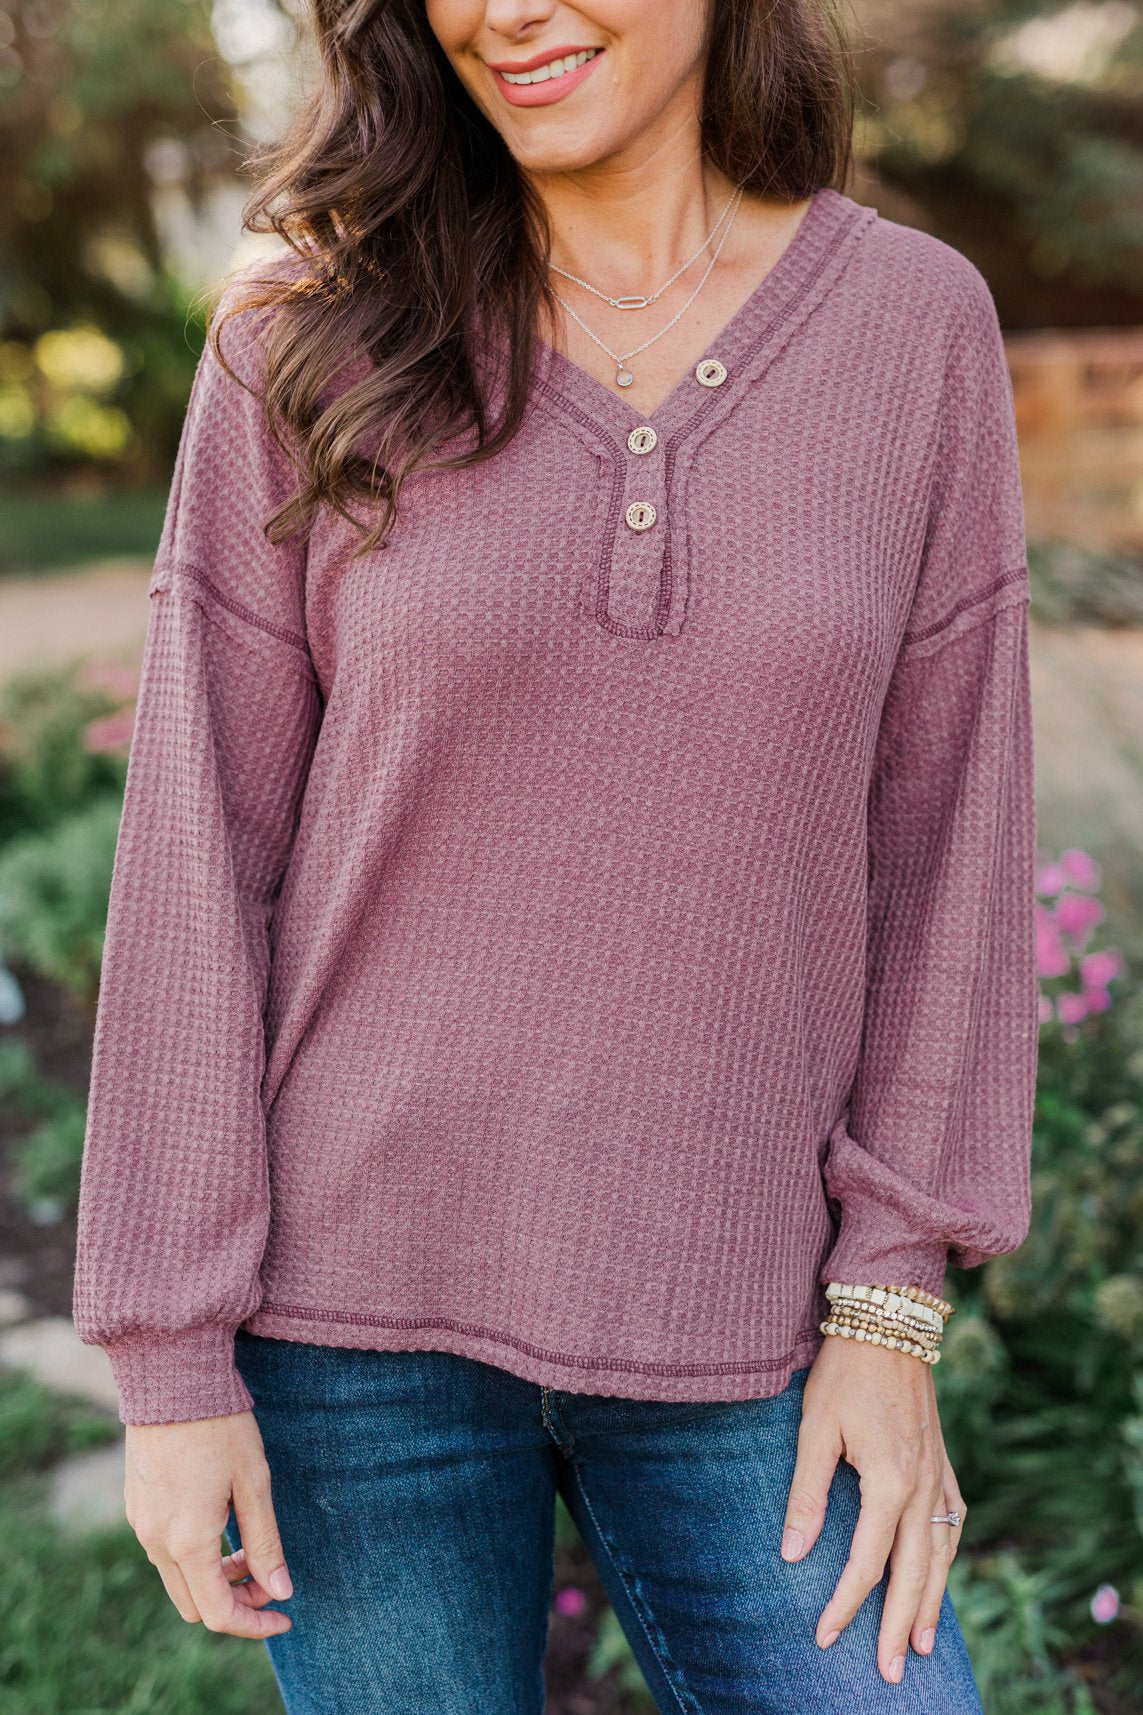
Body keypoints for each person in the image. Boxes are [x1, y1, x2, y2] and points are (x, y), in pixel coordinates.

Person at [72, 0, 1039, 1709]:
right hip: (349, 1338)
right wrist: (171, 1357)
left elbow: (948, 842)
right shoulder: (306, 334)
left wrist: (890, 1307)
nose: (505, 11)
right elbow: (198, 854)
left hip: (751, 1326)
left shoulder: (913, 326)